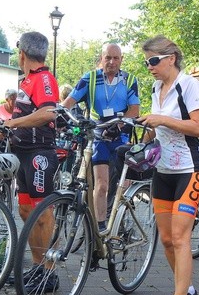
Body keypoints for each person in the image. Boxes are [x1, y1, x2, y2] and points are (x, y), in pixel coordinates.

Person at [138, 35, 199, 295]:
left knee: (180, 237)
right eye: (146, 62)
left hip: (189, 171)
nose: (150, 67)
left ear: (171, 58)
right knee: (166, 239)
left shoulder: (190, 85)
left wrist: (162, 120)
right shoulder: (156, 87)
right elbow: (158, 126)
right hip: (163, 172)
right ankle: (187, 290)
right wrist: (145, 136)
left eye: (153, 61)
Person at [60, 43, 140, 233]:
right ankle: (100, 228)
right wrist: (61, 114)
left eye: (116, 58)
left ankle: (120, 221)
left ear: (121, 60)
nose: (111, 62)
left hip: (120, 135)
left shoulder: (129, 80)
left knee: (121, 186)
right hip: (99, 134)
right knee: (101, 184)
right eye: (108, 57)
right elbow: (68, 102)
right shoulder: (90, 78)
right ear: (101, 58)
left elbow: (135, 109)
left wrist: (119, 125)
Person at [3, 31, 61, 292]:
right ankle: (38, 267)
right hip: (22, 152)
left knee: (42, 212)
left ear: (22, 54)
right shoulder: (26, 81)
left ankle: (49, 271)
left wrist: (14, 122)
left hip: (39, 153)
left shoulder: (44, 78)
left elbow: (48, 112)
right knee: (26, 211)